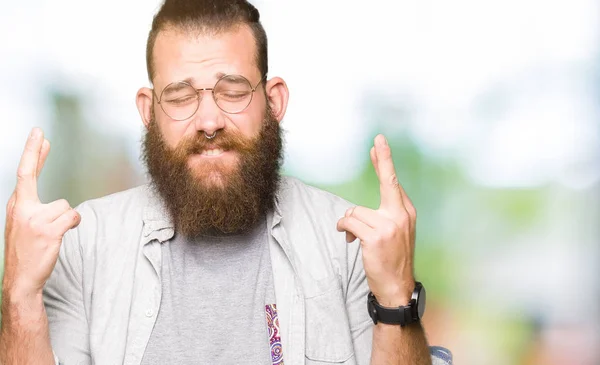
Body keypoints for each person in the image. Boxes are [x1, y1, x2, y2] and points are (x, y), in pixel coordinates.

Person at [0, 1, 451, 364]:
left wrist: (396, 296)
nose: (210, 120)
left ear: (273, 101)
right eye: (179, 96)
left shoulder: (347, 245)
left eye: (233, 91)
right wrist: (19, 292)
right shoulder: (82, 245)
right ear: (148, 110)